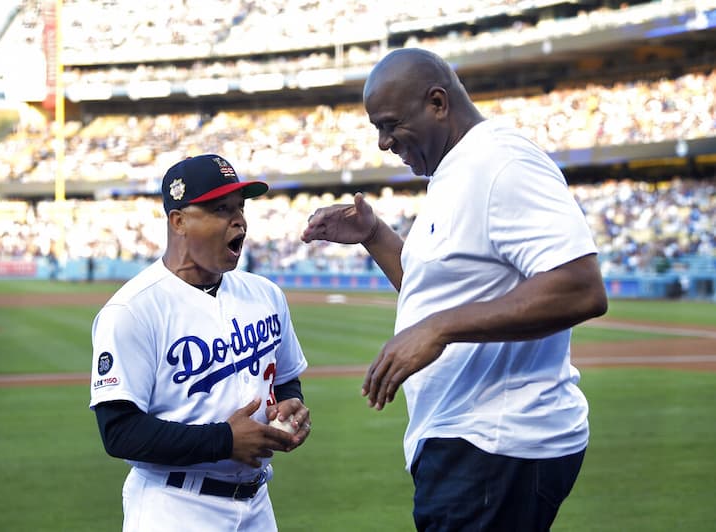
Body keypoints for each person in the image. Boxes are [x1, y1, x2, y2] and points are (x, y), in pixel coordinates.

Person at [301, 48, 608, 532]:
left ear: (438, 103)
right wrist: (374, 235)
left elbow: (581, 288)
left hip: (496, 445)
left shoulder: (502, 163)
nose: (383, 143)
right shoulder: (455, 170)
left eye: (390, 125)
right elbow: (439, 291)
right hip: (469, 442)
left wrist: (438, 329)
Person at [90, 154, 311, 532]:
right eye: (220, 209)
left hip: (258, 504)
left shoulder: (266, 294)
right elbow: (119, 432)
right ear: (178, 221)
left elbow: (286, 379)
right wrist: (223, 440)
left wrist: (290, 406)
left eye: (240, 208)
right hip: (174, 506)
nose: (238, 220)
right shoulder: (133, 309)